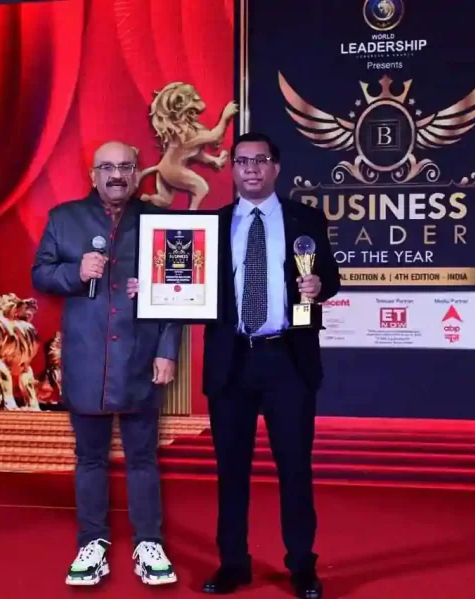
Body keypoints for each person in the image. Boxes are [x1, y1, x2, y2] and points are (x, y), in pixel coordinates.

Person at [31, 141, 181, 588]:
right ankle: (92, 544)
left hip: (140, 356)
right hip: (86, 357)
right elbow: (41, 274)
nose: (117, 175)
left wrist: (167, 349)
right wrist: (75, 273)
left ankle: (149, 543)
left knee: (142, 458)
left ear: (137, 173)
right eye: (107, 167)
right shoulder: (64, 218)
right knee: (90, 458)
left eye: (125, 167)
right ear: (93, 174)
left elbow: (178, 291)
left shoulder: (159, 222)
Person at [201, 132, 340, 598]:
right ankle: (233, 563)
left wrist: (319, 286)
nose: (251, 169)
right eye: (242, 161)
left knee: (295, 468)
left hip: (288, 359)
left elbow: (330, 277)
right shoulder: (214, 225)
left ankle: (302, 565)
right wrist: (155, 290)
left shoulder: (306, 219)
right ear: (232, 169)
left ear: (276, 167)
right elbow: (188, 283)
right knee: (231, 470)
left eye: (260, 160)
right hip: (232, 361)